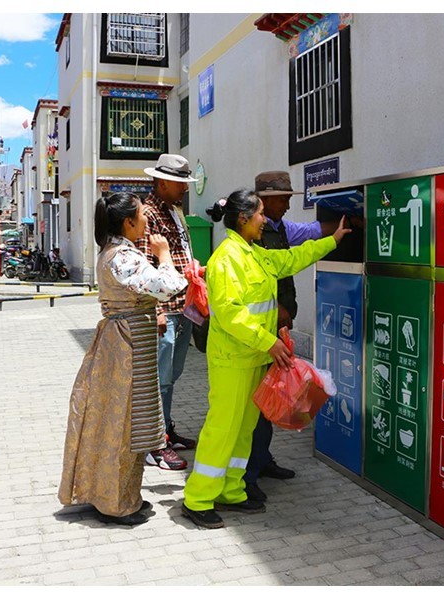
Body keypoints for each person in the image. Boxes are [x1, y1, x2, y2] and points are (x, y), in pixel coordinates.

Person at [180, 189, 351, 529]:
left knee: (243, 429)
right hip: (233, 359)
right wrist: (269, 341)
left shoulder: (253, 253)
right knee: (222, 428)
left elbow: (289, 261)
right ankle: (197, 499)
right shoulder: (227, 258)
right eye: (260, 214)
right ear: (243, 218)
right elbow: (230, 314)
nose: (265, 220)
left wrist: (332, 240)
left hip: (252, 357)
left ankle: (230, 489)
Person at [58, 192, 187, 526]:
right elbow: (169, 284)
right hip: (126, 348)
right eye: (142, 215)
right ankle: (116, 503)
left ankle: (125, 496)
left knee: (132, 424)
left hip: (128, 343)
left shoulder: (118, 252)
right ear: (128, 222)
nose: (147, 220)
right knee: (124, 425)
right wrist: (165, 254)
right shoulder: (123, 256)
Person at [242, 171, 343, 503]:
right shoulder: (251, 237)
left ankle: (262, 459)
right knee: (259, 401)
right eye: (283, 199)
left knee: (275, 393)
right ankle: (248, 475)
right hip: (261, 332)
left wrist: (346, 226)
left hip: (278, 327)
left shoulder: (282, 228)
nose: (287, 205)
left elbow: (313, 233)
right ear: (265, 200)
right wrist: (276, 312)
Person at [137, 154, 199, 471]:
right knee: (160, 379)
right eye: (180, 184)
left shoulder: (173, 211)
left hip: (182, 305)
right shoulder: (147, 215)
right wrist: (158, 310)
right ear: (163, 183)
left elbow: (181, 253)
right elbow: (147, 267)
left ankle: (167, 428)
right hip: (166, 309)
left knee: (171, 377)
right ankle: (154, 443)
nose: (185, 190)